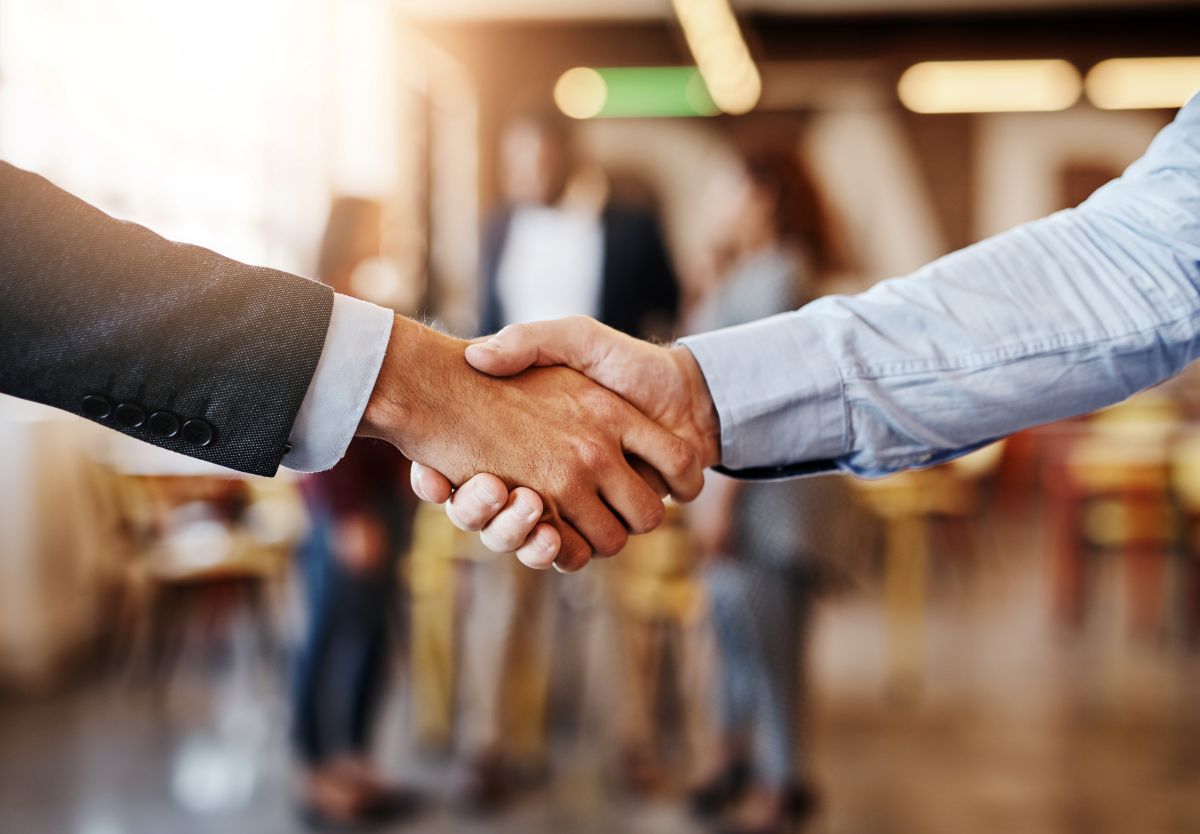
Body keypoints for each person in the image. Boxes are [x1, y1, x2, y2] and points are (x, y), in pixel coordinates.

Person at [409, 92, 1200, 572]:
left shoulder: (721, 256)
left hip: (722, 498)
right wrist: (697, 394)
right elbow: (1142, 261)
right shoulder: (507, 232)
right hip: (673, 461)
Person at [0, 162, 704, 574]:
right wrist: (433, 392)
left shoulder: (379, 287)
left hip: (401, 493)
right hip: (357, 502)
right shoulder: (342, 284)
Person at [451, 111, 682, 809]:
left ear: (563, 154)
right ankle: (486, 745)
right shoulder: (497, 226)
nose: (523, 175)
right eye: (512, 160)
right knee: (500, 595)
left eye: (534, 159)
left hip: (601, 437)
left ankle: (630, 741)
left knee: (611, 598)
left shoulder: (632, 223)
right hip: (505, 438)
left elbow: (667, 317)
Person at [682, 147, 852, 834]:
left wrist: (719, 502)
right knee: (735, 631)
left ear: (765, 196)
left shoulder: (782, 275)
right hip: (740, 497)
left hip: (764, 502)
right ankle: (735, 757)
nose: (718, 203)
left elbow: (748, 403)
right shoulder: (747, 273)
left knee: (772, 641)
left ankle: (784, 782)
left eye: (729, 189)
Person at [290, 199, 420, 829]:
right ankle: (317, 770)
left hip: (383, 501)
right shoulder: (318, 307)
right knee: (327, 635)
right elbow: (311, 421)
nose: (388, 235)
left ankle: (355, 758)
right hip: (350, 510)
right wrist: (344, 513)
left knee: (371, 636)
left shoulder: (363, 304)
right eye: (380, 224)